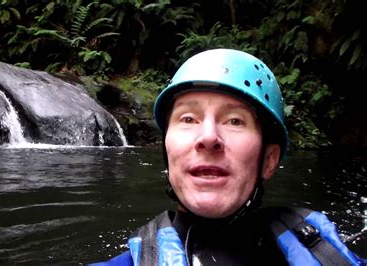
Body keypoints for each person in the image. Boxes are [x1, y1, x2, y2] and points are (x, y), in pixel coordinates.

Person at [90, 49, 365, 265]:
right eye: (188, 118)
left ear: (269, 160)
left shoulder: (329, 257)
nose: (208, 137)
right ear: (167, 151)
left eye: (234, 121)